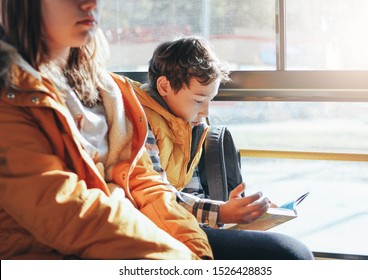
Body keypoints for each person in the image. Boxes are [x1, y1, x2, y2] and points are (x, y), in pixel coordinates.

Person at [0, 0, 213, 260]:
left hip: (133, 236)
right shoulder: (9, 93)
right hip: (51, 253)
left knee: (274, 250)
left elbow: (145, 182)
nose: (91, 3)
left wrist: (196, 253)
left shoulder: (110, 89)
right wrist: (180, 262)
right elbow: (68, 213)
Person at [131, 37, 314, 259]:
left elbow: (191, 193)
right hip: (153, 229)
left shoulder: (189, 125)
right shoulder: (139, 120)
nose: (206, 111)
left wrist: (236, 212)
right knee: (292, 254)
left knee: (291, 252)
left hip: (182, 224)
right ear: (164, 86)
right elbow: (154, 197)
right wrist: (221, 212)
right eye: (199, 100)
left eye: (210, 100)